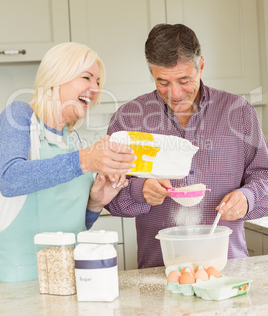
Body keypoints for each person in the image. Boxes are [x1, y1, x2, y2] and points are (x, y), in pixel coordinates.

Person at [106, 23, 268, 269]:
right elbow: (108, 196)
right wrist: (140, 190)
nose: (174, 93)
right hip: (158, 272)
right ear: (151, 72)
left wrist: (248, 197)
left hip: (227, 270)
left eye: (184, 80)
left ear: (200, 66)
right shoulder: (128, 119)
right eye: (163, 82)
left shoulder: (239, 113)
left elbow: (264, 175)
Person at [0, 42, 136, 282]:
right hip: (22, 279)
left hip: (71, 276)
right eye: (87, 77)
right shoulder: (20, 116)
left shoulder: (74, 141)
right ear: (56, 77)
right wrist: (85, 161)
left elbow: (76, 225)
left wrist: (95, 203)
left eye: (98, 83)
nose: (95, 88)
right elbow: (10, 179)